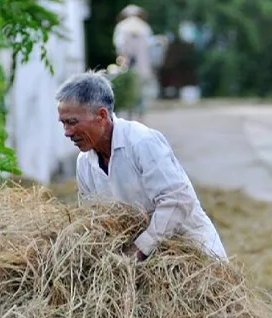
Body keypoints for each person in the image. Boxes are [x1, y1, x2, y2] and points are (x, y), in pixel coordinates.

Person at [56, 71, 228, 261]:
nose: (67, 132)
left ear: (102, 116)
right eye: (63, 123)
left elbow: (178, 200)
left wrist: (139, 250)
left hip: (192, 256)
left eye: (72, 122)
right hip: (136, 264)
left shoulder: (141, 142)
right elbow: (94, 218)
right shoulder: (84, 163)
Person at [112, 4, 156, 119]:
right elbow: (149, 45)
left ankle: (129, 111)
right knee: (139, 87)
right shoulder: (144, 28)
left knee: (128, 86)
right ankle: (139, 112)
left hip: (127, 64)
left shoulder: (121, 27)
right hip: (139, 65)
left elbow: (118, 45)